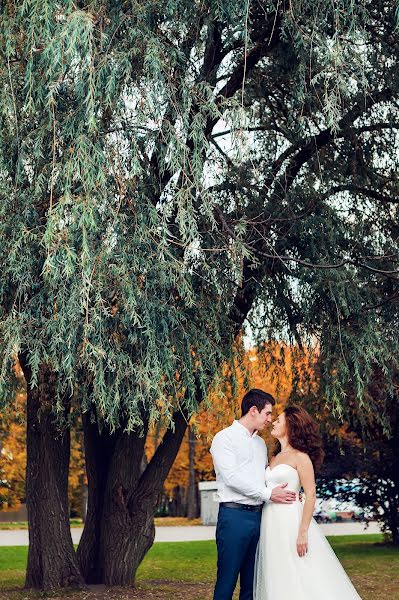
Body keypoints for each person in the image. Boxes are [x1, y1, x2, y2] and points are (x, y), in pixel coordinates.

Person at [254, 405, 362, 599]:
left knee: (298, 568)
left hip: (290, 520)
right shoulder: (273, 457)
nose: (274, 422)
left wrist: (303, 532)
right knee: (278, 568)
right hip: (270, 520)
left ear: (291, 425)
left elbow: (311, 495)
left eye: (279, 420)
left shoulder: (300, 458)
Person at [210, 389, 296, 600]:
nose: (269, 419)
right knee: (227, 581)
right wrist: (268, 493)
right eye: (267, 413)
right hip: (234, 517)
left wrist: (290, 492)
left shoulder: (260, 444)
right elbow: (231, 478)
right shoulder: (224, 439)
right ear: (254, 410)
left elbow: (264, 478)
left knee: (252, 584)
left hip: (260, 517)